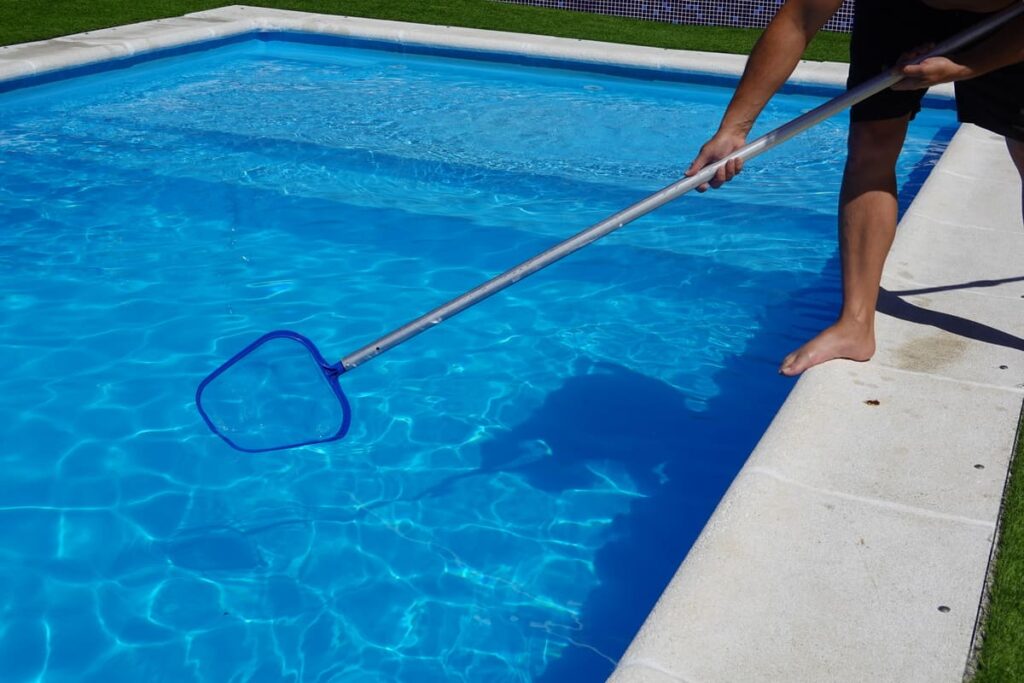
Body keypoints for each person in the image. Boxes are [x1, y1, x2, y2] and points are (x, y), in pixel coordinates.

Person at [685, 0, 1024, 376]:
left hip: (1010, 18)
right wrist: (735, 127)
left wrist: (966, 65)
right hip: (900, 12)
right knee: (870, 147)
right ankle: (855, 324)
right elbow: (801, 18)